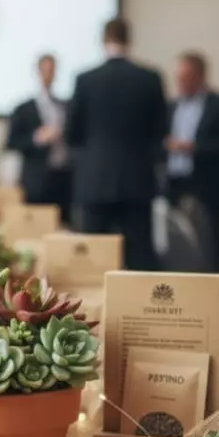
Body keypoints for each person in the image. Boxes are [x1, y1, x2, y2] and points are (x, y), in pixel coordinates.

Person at [65, 18, 167, 270]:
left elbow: (72, 134)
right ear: (129, 40)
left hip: (95, 180)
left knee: (94, 259)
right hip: (137, 180)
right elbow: (161, 132)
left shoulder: (85, 79)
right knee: (140, 255)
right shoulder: (150, 78)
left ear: (103, 40)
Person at [164, 51, 219, 256]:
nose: (180, 82)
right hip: (175, 184)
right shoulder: (170, 106)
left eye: (185, 77)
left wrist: (191, 147)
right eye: (178, 77)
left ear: (200, 76)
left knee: (211, 243)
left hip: (210, 184)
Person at [6, 53, 71, 224]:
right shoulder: (23, 109)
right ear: (38, 71)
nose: (48, 74)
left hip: (63, 177)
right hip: (36, 179)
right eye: (45, 70)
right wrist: (37, 138)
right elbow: (11, 142)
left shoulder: (65, 106)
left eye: (52, 70)